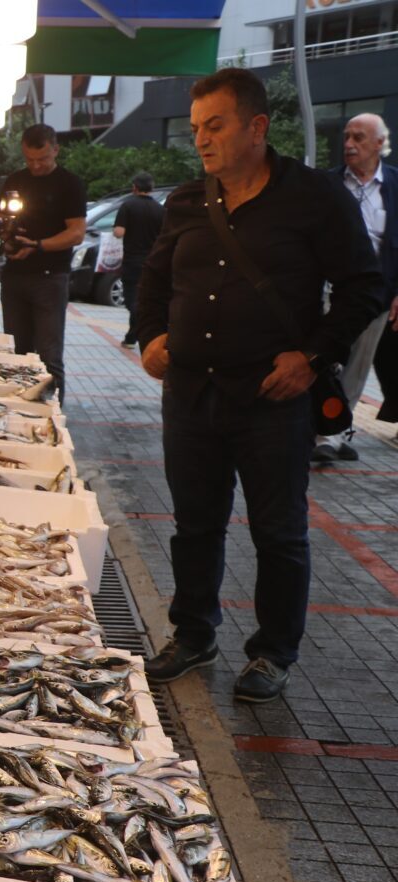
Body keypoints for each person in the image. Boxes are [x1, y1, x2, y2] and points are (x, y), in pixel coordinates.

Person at [137, 67, 383, 702]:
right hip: (191, 393)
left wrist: (311, 354)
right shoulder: (188, 201)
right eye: (195, 129)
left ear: (256, 127)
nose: (201, 141)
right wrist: (150, 335)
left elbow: (365, 287)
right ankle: (193, 634)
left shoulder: (314, 197)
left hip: (273, 398)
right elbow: (155, 280)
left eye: (214, 126)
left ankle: (273, 652)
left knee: (278, 531)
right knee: (194, 524)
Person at [313, 113, 398, 462]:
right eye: (347, 136)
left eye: (359, 138)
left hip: (375, 295)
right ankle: (319, 431)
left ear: (379, 144)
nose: (349, 144)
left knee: (357, 368)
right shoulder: (328, 183)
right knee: (323, 360)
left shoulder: (395, 185)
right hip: (328, 290)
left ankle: (330, 433)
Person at [0, 124, 88, 403]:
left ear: (56, 150)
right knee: (16, 350)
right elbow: (1, 220)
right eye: (29, 159)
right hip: (14, 275)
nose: (36, 165)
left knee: (49, 354)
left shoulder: (70, 184)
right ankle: (18, 409)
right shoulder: (14, 180)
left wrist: (38, 246)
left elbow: (76, 233)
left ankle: (52, 417)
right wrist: (7, 239)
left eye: (42, 159)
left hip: (51, 277)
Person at [114, 171, 165, 348]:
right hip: (153, 262)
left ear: (134, 187)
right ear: (152, 188)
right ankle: (131, 337)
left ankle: (135, 334)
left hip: (132, 260)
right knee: (144, 298)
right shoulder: (161, 209)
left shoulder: (128, 206)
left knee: (131, 300)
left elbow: (119, 232)